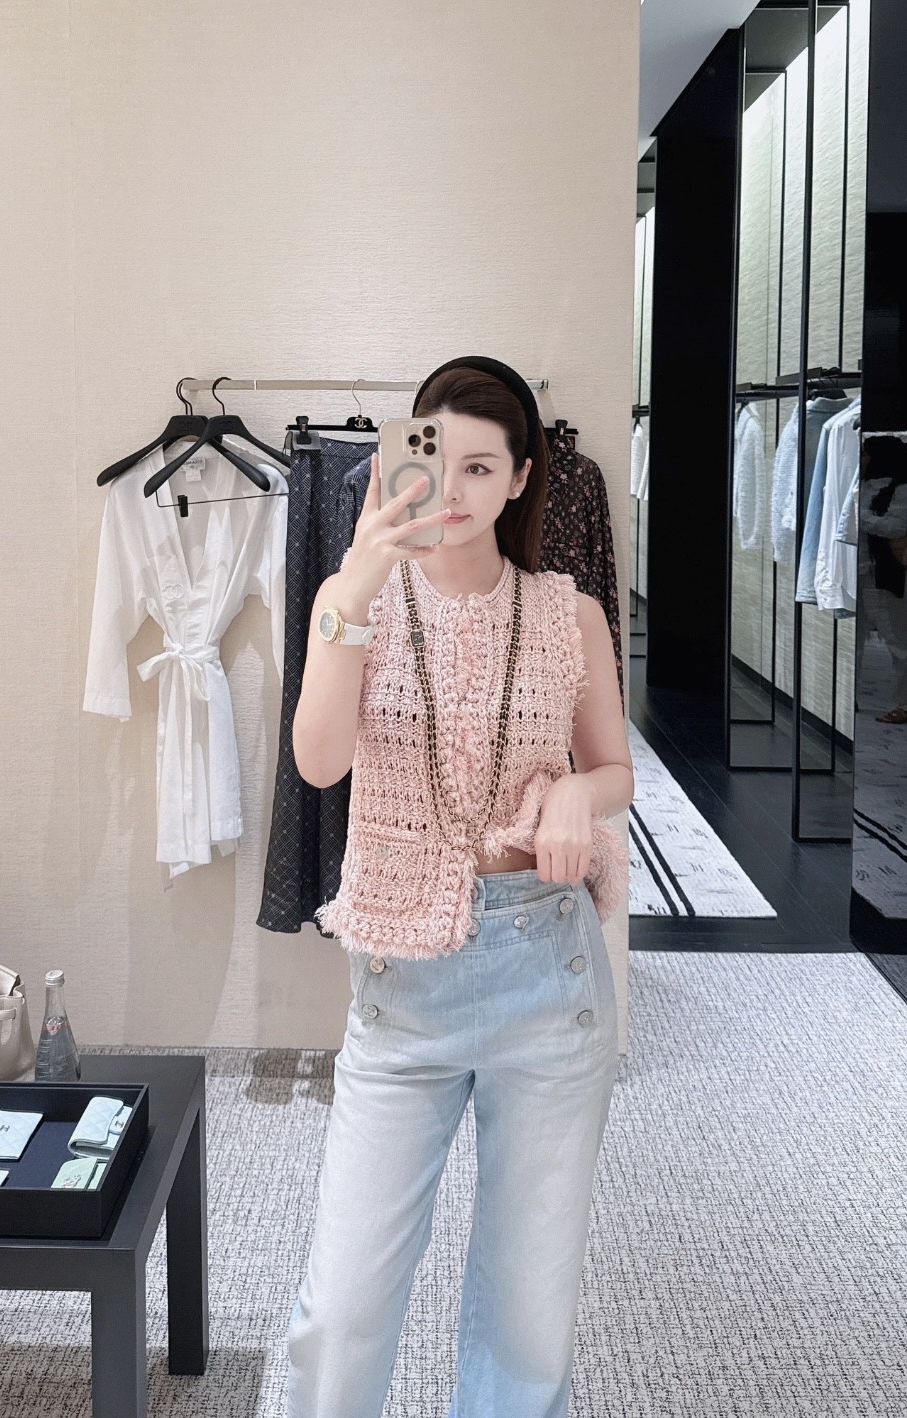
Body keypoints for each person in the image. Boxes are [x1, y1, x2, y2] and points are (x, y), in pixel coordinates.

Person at [285, 355, 632, 1418]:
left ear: (522, 478)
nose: (457, 487)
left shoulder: (568, 612)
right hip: (404, 985)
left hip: (549, 975)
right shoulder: (354, 603)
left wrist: (576, 795)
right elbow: (318, 763)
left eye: (484, 466)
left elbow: (615, 768)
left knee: (528, 1316)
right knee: (343, 1309)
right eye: (437, 460)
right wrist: (353, 586)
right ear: (402, 461)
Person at [856, 435, 907, 724]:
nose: (861, 459)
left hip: (886, 575)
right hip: (857, 573)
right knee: (852, 640)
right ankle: (847, 696)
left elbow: (897, 528)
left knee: (901, 640)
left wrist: (859, 516)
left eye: (866, 454)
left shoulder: (906, 490)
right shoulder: (860, 486)